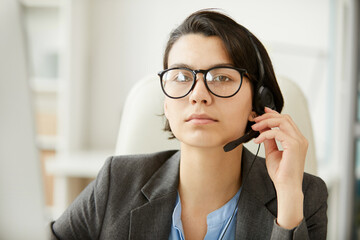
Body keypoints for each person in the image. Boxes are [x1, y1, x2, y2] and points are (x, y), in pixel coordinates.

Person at [50, 9, 328, 240]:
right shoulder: (116, 182)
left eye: (222, 78)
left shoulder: (304, 195)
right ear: (166, 104)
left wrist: (289, 198)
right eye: (182, 77)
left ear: (256, 104)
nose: (198, 95)